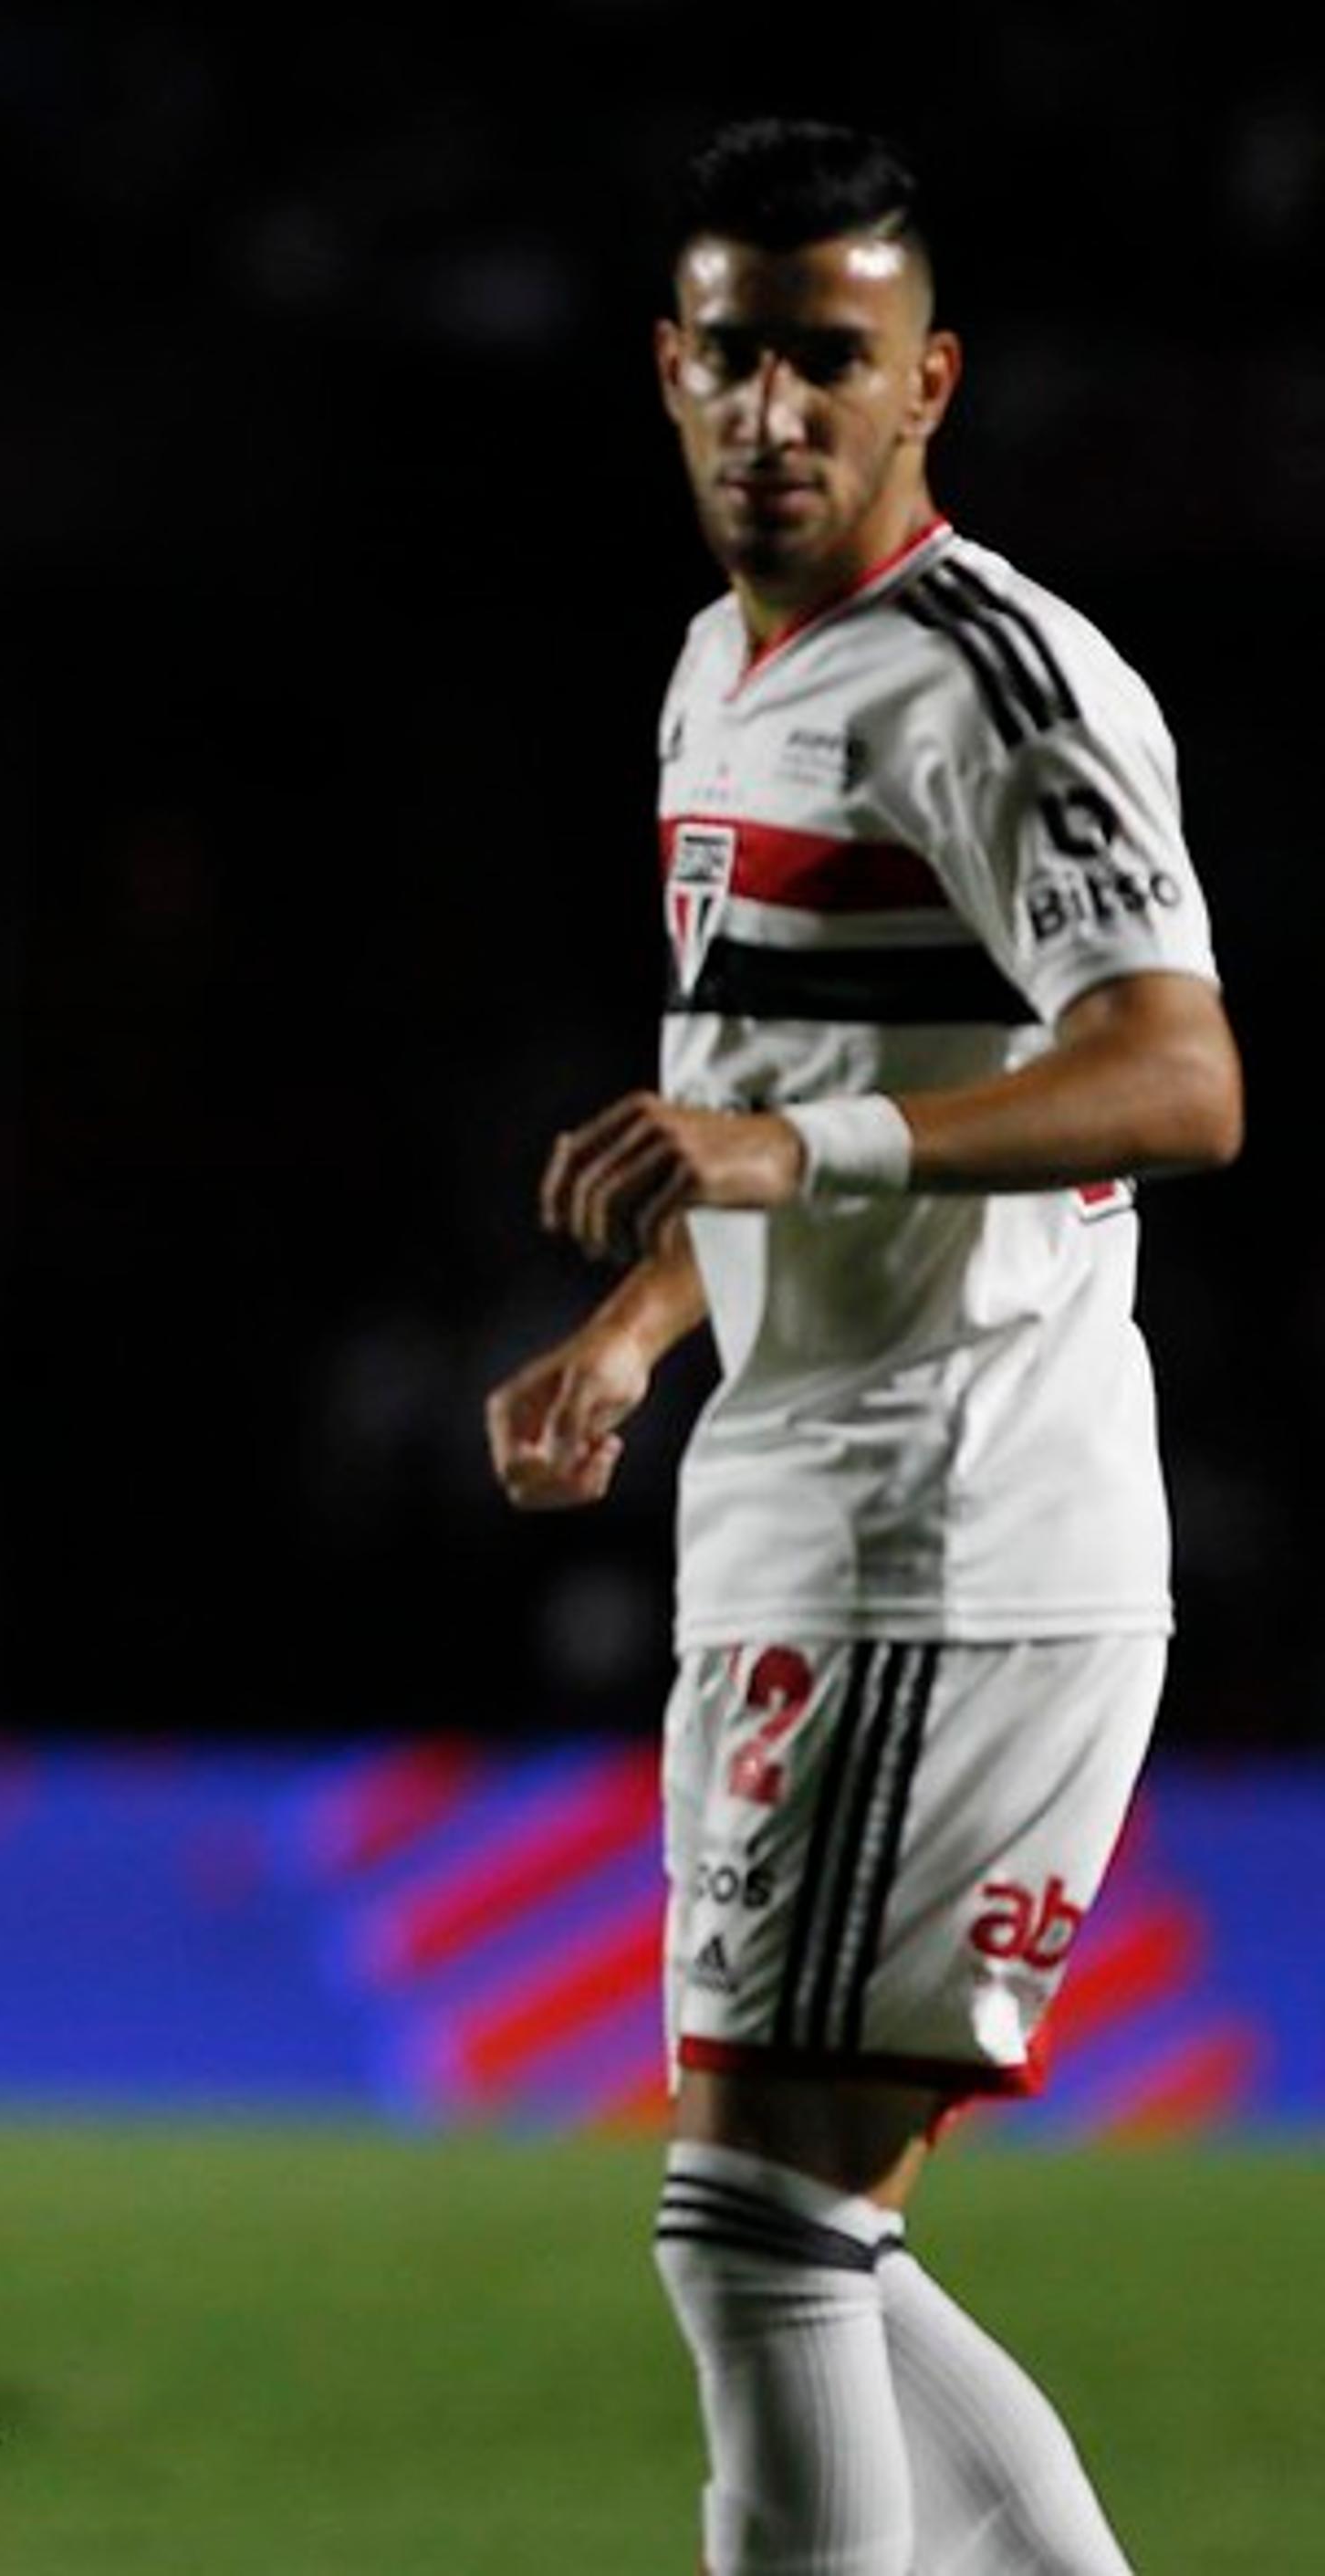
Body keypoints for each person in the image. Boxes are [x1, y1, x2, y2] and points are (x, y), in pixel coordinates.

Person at [482, 119, 1241, 2576]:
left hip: (955, 1506)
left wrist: (796, 1172)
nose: (775, 407)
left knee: (759, 2227)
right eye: (733, 355)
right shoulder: (727, 670)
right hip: (807, 1494)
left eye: (831, 359)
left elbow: (1178, 1070)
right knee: (808, 2231)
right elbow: (774, 1090)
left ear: (930, 384)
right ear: (669, 374)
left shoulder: (999, 682)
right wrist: (638, 1316)